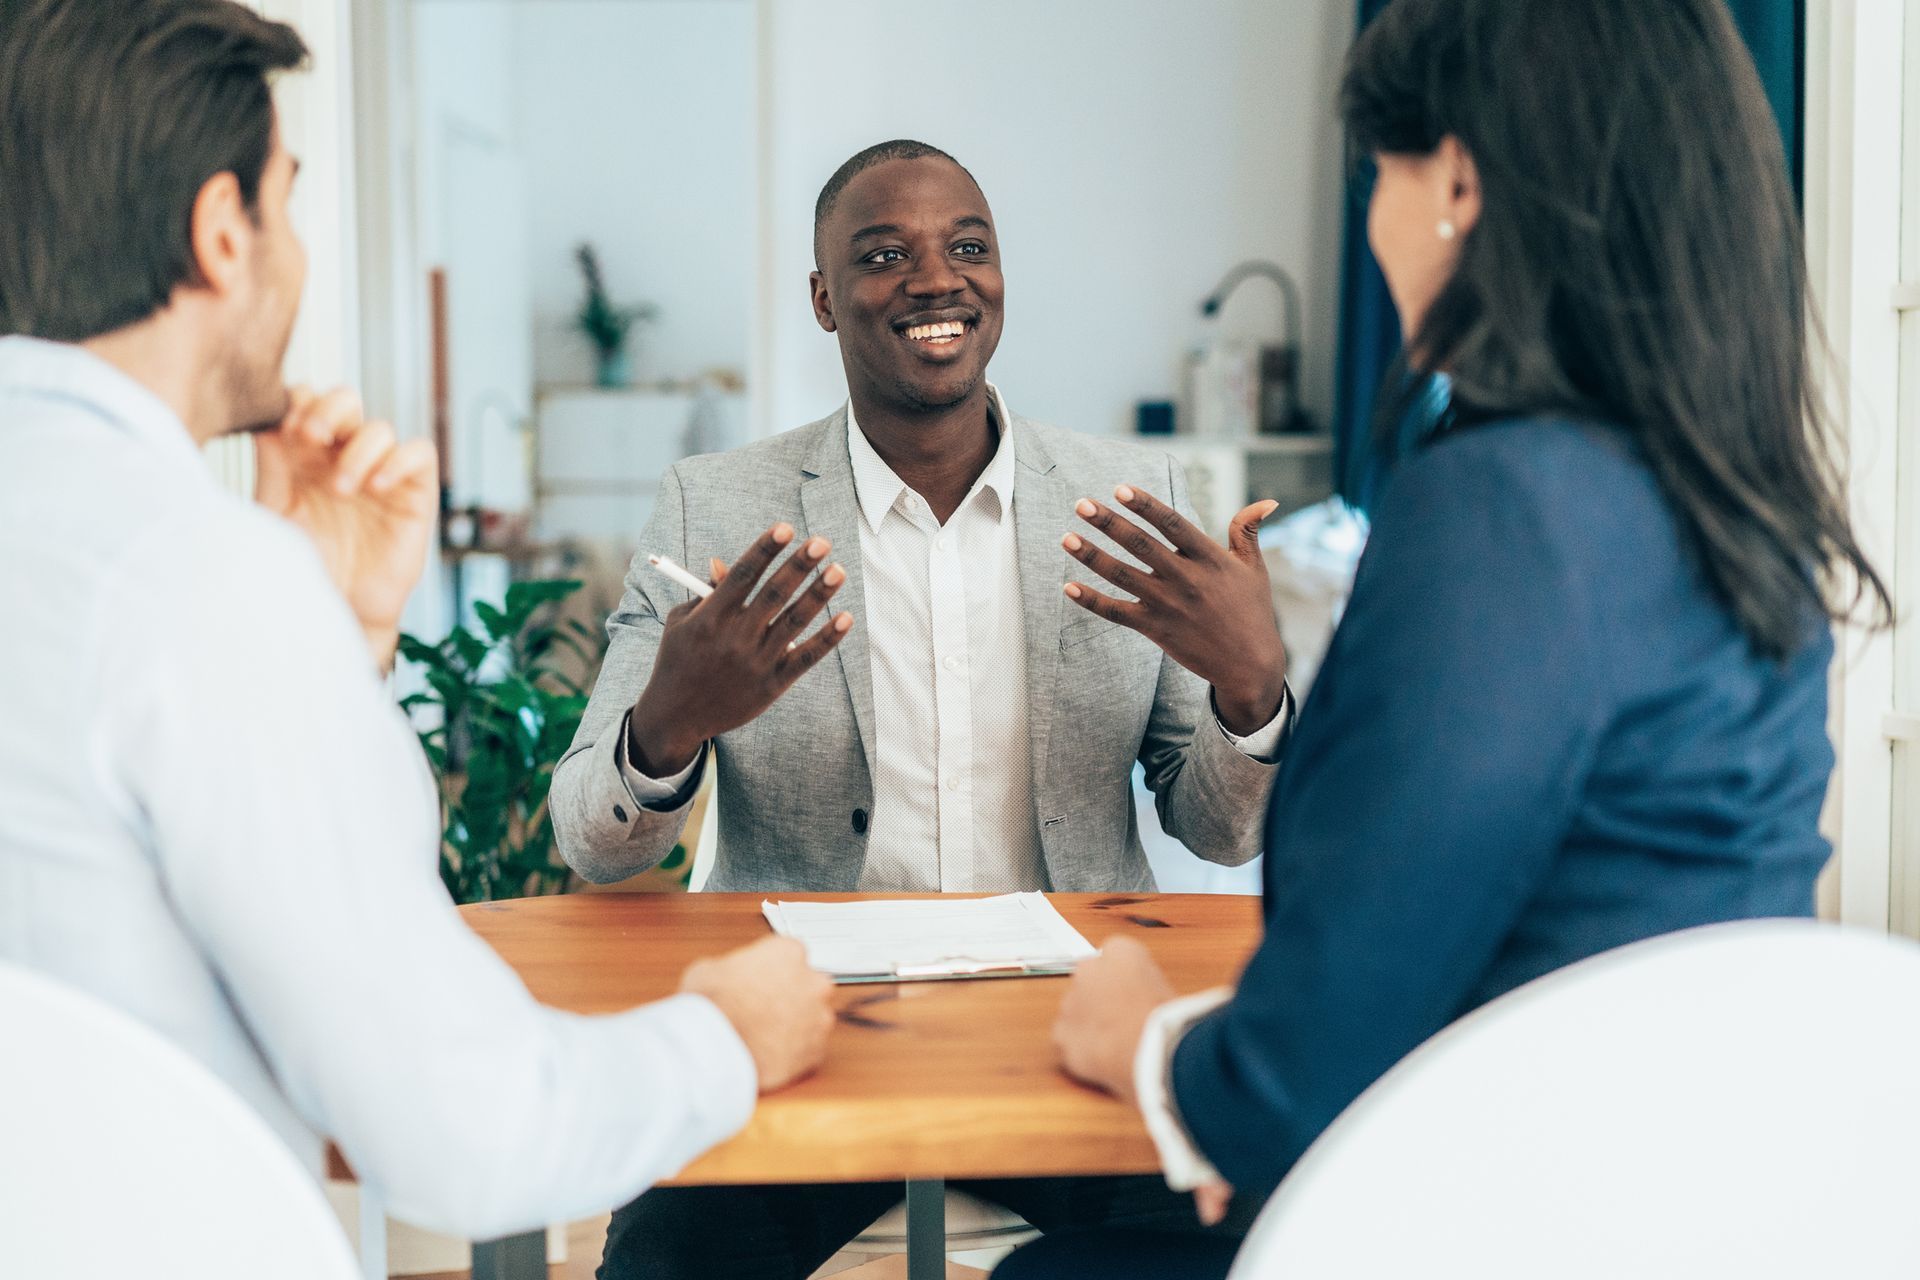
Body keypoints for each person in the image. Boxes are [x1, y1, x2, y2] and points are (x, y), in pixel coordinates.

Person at [1002, 0, 1893, 1275]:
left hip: (1493, 1212)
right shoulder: (1744, 509)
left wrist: (1146, 1038)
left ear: (1458, 182)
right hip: (1701, 1209)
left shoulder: (1503, 509)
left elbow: (1295, 1079)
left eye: (1383, 175)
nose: (1375, 223)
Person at [0, 0, 834, 1242]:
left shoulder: (159, 567)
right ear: (223, 233)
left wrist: (333, 634)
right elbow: (475, 1134)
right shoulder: (195, 580)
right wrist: (729, 1032)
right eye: (288, 197)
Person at [554, 140, 1293, 1279]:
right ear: (822, 295)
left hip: (1068, 1027)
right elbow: (588, 840)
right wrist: (669, 723)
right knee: (657, 1263)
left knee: (1250, 1226)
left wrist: (1251, 691)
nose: (935, 280)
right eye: (884, 254)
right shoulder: (715, 505)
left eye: (968, 249)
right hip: (809, 1028)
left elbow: (1221, 827)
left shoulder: (1135, 499)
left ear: (1000, 278)